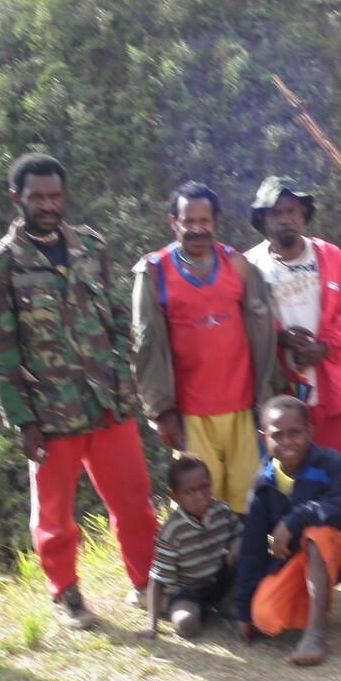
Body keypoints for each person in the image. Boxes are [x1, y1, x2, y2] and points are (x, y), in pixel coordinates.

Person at [0, 153, 157, 629]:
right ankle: (66, 595)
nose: (48, 204)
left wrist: (122, 373)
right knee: (55, 515)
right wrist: (22, 420)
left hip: (108, 403)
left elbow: (118, 318)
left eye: (55, 195)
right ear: (17, 199)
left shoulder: (90, 247)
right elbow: (0, 350)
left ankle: (147, 582)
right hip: (50, 413)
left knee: (134, 501)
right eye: (37, 196)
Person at [244, 176, 341, 576]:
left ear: (304, 215)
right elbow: (244, 322)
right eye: (278, 212)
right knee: (286, 465)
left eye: (294, 210)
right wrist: (279, 338)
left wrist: (327, 345)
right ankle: (294, 544)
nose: (287, 219)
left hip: (329, 378)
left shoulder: (329, 256)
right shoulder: (250, 265)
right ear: (264, 219)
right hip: (281, 386)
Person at [131, 181, 279, 514]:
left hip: (243, 405)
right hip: (190, 413)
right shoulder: (155, 270)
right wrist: (159, 411)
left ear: (215, 222)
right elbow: (146, 342)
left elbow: (263, 332)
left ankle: (248, 562)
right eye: (189, 222)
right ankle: (208, 564)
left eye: (205, 221)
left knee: (248, 495)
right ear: (174, 222)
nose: (197, 229)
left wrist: (268, 395)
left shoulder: (238, 265)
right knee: (199, 499)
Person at [235, 396, 341, 666]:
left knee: (316, 533)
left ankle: (315, 635)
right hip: (296, 559)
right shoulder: (263, 483)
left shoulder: (328, 462)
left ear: (310, 432)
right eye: (277, 435)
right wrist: (245, 611)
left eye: (296, 433)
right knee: (264, 616)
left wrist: (295, 519)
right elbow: (253, 548)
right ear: (263, 437)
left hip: (335, 552)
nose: (288, 441)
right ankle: (307, 604)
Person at [136, 453, 241, 639]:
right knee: (186, 624)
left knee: (240, 606)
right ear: (175, 497)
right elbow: (157, 578)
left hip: (219, 580)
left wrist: (236, 544)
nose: (200, 496)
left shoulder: (221, 511)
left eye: (204, 487)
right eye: (189, 492)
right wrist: (151, 626)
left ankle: (224, 603)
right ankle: (164, 605)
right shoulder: (173, 531)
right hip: (188, 591)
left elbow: (241, 533)